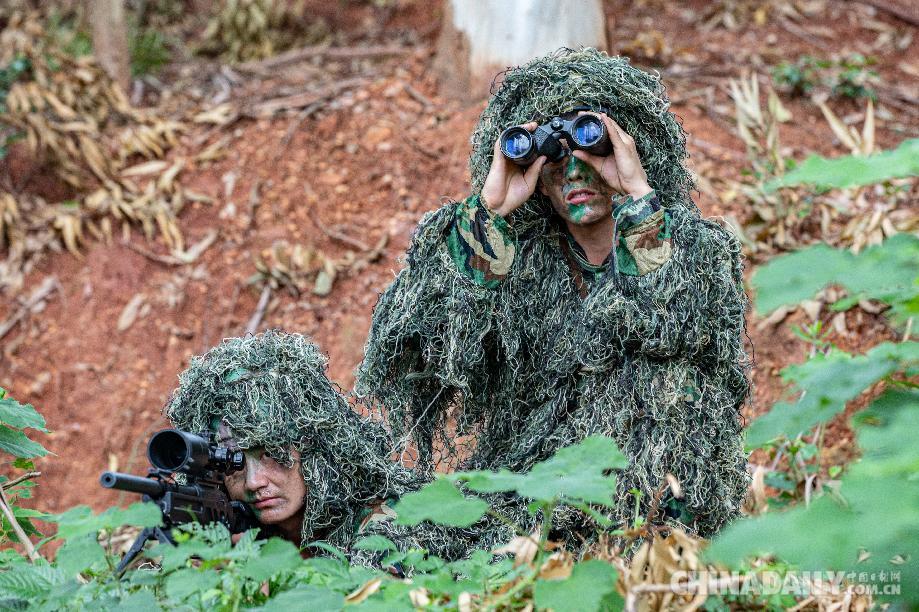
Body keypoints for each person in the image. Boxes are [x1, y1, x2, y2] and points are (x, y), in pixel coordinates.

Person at [355, 48, 752, 543]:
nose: (574, 172)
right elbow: (425, 348)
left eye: (593, 149)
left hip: (658, 499)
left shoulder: (695, 249)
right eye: (553, 160)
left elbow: (676, 323)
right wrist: (489, 214)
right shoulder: (517, 266)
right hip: (535, 498)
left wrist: (637, 195)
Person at [163, 330, 469, 568]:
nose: (255, 481)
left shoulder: (388, 520)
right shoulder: (243, 535)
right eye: (236, 462)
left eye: (272, 452)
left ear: (314, 446)